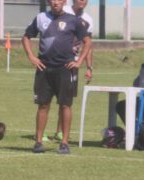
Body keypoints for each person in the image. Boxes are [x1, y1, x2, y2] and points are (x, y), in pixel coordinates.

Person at [22, 0, 91, 155]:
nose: (55, 3)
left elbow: (87, 41)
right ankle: (38, 142)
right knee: (43, 105)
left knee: (65, 105)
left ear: (64, 2)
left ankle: (64, 143)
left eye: (58, 0)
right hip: (44, 68)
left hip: (65, 69)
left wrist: (79, 61)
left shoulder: (73, 20)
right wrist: (32, 57)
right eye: (52, 0)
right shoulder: (40, 18)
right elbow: (26, 37)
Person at [52, 0, 94, 142]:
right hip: (57, 61)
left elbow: (88, 44)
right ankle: (57, 131)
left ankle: (60, 132)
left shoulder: (88, 20)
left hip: (72, 63)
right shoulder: (63, 11)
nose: (82, 1)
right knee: (48, 100)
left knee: (66, 100)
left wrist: (88, 66)